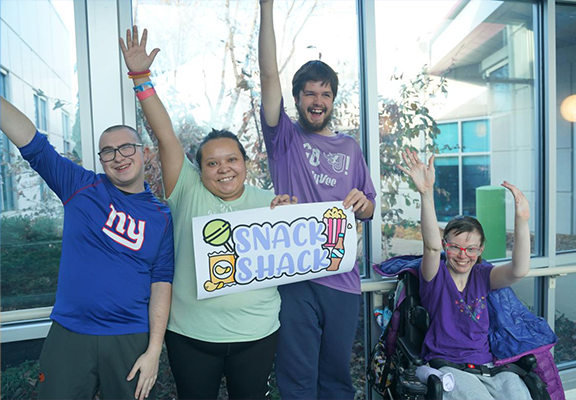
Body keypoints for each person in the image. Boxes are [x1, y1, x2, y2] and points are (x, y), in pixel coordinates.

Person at [119, 26, 296, 400]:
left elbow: (299, 250)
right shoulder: (185, 190)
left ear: (246, 164)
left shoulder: (271, 202)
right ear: (198, 170)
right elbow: (164, 134)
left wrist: (292, 219)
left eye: (232, 159)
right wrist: (141, 78)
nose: (224, 168)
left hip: (257, 336)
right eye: (212, 163)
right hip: (191, 337)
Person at [0, 97, 174, 399]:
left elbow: (161, 282)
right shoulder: (80, 186)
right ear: (101, 159)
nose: (118, 157)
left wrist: (154, 351)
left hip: (129, 337)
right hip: (70, 332)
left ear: (144, 153)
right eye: (108, 151)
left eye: (126, 148)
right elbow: (33, 143)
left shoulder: (161, 216)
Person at [258, 2, 377, 398]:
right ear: (296, 97)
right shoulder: (284, 139)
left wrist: (363, 204)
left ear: (333, 100)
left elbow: (371, 207)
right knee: (297, 379)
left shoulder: (350, 147)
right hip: (295, 278)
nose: (317, 100)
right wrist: (267, 9)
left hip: (342, 282)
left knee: (336, 379)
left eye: (325, 93)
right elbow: (268, 74)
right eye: (309, 92)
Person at [398, 148, 533, 400]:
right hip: (448, 367)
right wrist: (426, 194)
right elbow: (430, 245)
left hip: (489, 369)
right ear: (445, 246)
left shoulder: (483, 276)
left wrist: (522, 219)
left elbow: (519, 270)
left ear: (480, 249)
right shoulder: (434, 275)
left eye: (471, 249)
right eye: (455, 247)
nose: (463, 255)